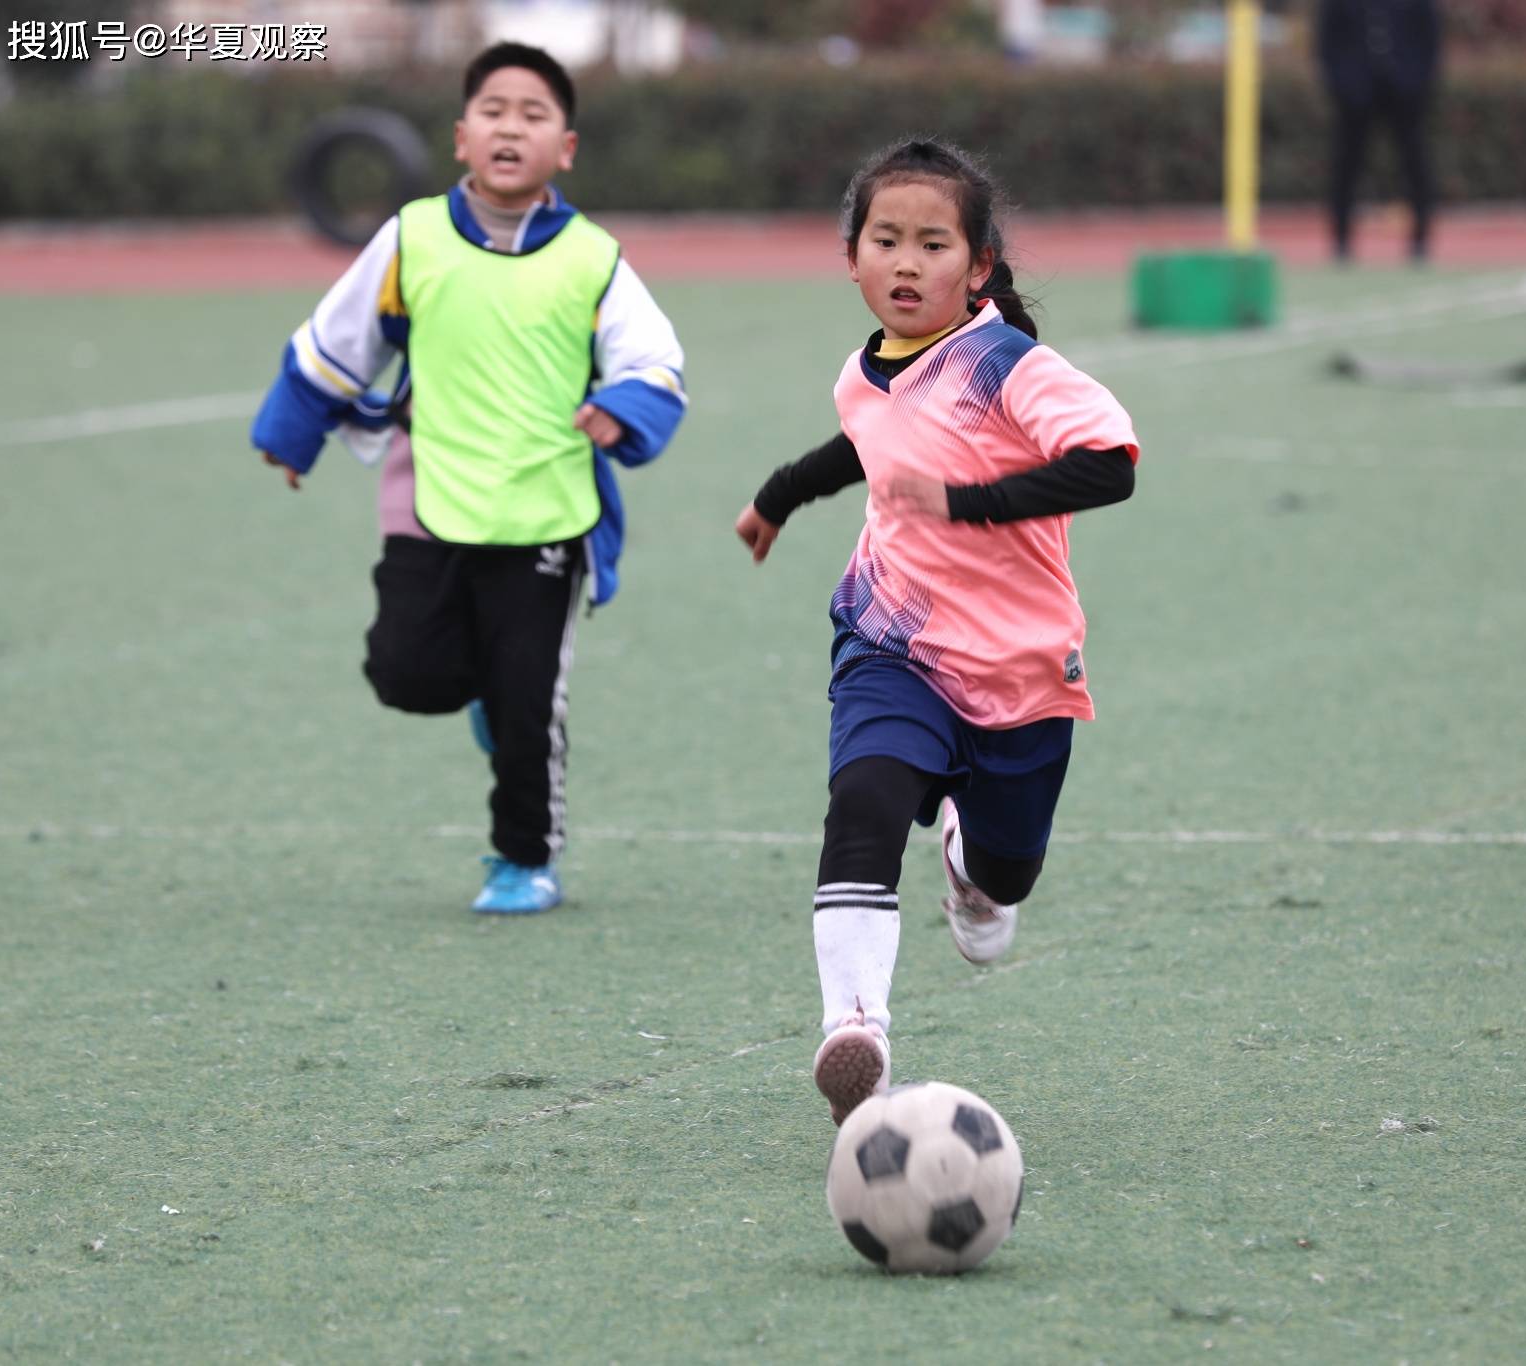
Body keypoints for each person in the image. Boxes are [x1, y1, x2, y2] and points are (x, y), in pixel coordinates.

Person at [732, 139, 1140, 1124]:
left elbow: (1109, 464)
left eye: (930, 243)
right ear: (852, 259)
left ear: (978, 268)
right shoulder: (862, 371)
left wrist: (963, 500)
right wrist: (779, 497)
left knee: (1008, 873)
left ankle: (971, 868)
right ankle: (855, 1029)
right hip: (890, 642)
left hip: (1019, 666)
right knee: (862, 799)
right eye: (884, 240)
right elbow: (865, 439)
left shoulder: (1008, 365)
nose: (905, 263)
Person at [250, 43, 687, 912]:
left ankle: (524, 860)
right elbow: (338, 340)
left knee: (529, 704)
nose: (511, 127)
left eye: (534, 115)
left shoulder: (594, 259)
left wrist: (622, 408)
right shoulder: (409, 239)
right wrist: (290, 433)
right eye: (494, 111)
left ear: (565, 149)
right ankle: (483, 694)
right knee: (406, 673)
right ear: (461, 138)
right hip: (430, 501)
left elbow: (654, 362)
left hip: (550, 513)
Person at [1316, 0, 1441, 263]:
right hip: (1356, 94)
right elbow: (1327, 40)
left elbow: (1430, 36)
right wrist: (1343, 85)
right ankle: (1341, 241)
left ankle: (1420, 241)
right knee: (1346, 166)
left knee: (1415, 164)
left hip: (1404, 92)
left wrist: (1417, 83)